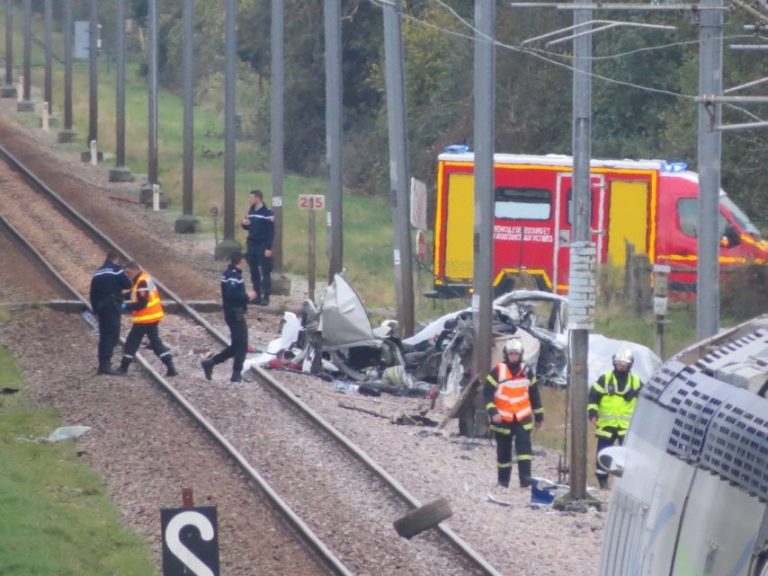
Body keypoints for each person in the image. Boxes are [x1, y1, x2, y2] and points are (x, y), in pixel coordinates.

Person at [484, 337, 544, 492]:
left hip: (522, 417)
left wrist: (539, 416)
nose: (513, 357)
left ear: (521, 355)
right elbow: (487, 393)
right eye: (511, 354)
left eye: (516, 354)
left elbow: (534, 395)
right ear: (506, 355)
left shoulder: (527, 372)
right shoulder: (498, 371)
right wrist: (493, 411)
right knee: (503, 451)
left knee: (525, 451)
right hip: (502, 419)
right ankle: (503, 482)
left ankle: (525, 481)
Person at [588, 348, 643, 489]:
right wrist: (592, 413)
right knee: (603, 453)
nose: (621, 366)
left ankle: (625, 482)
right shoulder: (605, 379)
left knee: (627, 456)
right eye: (619, 363)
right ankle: (602, 480)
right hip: (606, 425)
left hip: (626, 426)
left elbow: (647, 399)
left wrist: (637, 392)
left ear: (630, 365)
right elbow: (593, 396)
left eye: (624, 364)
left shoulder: (636, 381)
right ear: (614, 363)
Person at [116, 261, 178, 377]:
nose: (127, 275)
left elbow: (141, 303)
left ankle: (123, 368)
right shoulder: (143, 279)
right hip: (152, 317)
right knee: (155, 342)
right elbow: (135, 294)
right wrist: (121, 296)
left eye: (128, 272)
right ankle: (171, 367)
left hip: (145, 318)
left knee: (131, 342)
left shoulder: (142, 282)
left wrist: (125, 306)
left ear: (134, 269)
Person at [201, 252, 255, 383]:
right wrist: (247, 297)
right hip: (234, 314)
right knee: (242, 345)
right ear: (240, 262)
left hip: (233, 313)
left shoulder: (230, 273)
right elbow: (231, 294)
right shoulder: (233, 276)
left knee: (237, 345)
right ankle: (235, 374)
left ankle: (212, 363)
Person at [89, 250, 132, 375]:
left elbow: (92, 294)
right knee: (112, 335)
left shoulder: (97, 272)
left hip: (101, 308)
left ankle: (102, 364)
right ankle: (106, 365)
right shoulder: (116, 270)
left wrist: (95, 310)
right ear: (116, 259)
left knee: (103, 336)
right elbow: (127, 284)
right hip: (112, 307)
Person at [240, 189, 274, 306]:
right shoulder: (251, 211)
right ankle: (257, 295)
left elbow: (271, 231)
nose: (250, 200)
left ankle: (266, 296)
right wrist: (243, 224)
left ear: (258, 198)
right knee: (254, 271)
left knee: (265, 271)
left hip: (262, 245)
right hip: (252, 244)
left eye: (251, 197)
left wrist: (269, 248)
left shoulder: (267, 212)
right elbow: (247, 225)